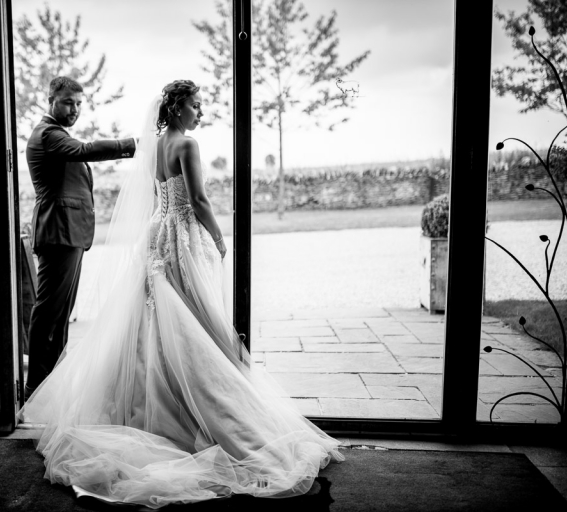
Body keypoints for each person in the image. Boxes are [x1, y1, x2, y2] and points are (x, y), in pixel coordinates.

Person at [20, 80, 343, 509]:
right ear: (175, 109)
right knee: (191, 317)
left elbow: (158, 195)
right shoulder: (186, 146)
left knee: (153, 322)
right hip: (179, 234)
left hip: (157, 234)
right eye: (195, 105)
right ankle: (193, 403)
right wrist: (220, 239)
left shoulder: (153, 147)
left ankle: (146, 405)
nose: (200, 113)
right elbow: (199, 199)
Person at [24, 77, 137, 397]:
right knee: (49, 312)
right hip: (59, 232)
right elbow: (85, 150)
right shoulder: (48, 134)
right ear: (51, 101)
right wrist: (134, 144)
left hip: (68, 233)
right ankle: (36, 386)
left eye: (78, 104)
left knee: (59, 315)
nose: (74, 109)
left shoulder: (55, 134)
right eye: (68, 102)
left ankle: (51, 382)